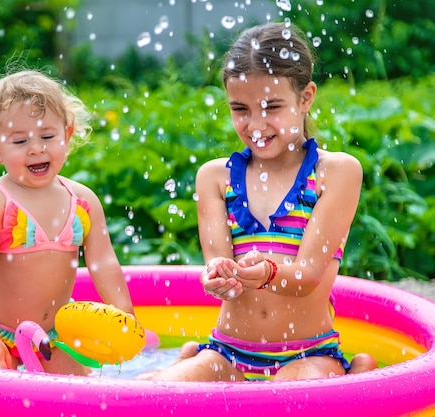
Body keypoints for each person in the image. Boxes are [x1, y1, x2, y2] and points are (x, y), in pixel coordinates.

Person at [140, 22, 377, 382]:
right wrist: (219, 276)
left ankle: (352, 372)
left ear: (306, 97)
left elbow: (308, 276)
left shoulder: (336, 172)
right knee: (151, 392)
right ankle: (190, 359)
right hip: (228, 353)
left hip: (307, 352)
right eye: (241, 109)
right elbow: (216, 264)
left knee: (288, 396)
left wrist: (265, 271)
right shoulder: (215, 178)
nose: (255, 124)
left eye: (272, 106)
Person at [0, 69, 135, 376]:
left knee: (88, 395)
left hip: (54, 338)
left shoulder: (81, 200)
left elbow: (104, 263)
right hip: (0, 336)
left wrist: (124, 314)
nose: (36, 148)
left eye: (47, 136)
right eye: (20, 141)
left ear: (66, 135)